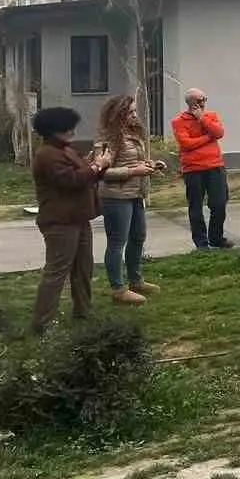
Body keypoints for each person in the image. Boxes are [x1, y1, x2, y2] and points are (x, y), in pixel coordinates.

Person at [30, 106, 111, 333]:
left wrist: (98, 165)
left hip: (79, 218)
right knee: (57, 272)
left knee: (83, 269)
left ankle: (84, 313)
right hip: (60, 221)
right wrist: (97, 165)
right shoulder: (47, 154)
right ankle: (42, 324)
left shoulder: (66, 149)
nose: (72, 131)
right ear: (55, 130)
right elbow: (71, 180)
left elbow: (87, 174)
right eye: (68, 127)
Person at [94, 94, 164, 305]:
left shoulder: (133, 133)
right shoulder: (108, 138)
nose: (135, 115)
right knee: (117, 242)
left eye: (135, 111)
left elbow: (135, 161)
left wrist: (150, 165)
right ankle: (118, 288)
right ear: (118, 114)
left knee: (138, 236)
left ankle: (136, 280)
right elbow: (101, 173)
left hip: (135, 194)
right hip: (116, 196)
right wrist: (134, 171)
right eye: (130, 112)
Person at [172, 88, 230, 250]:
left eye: (204, 99)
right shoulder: (179, 121)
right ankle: (201, 243)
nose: (202, 103)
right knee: (195, 206)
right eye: (198, 100)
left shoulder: (211, 116)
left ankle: (216, 237)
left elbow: (219, 132)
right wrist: (208, 137)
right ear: (190, 102)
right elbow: (186, 144)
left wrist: (202, 119)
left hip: (215, 166)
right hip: (193, 169)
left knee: (219, 203)